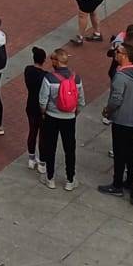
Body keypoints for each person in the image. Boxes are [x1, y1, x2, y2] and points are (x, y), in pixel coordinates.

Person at [100, 41, 133, 196]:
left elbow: (116, 99)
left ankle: (117, 184)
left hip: (122, 119)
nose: (115, 54)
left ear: (126, 55)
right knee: (131, 150)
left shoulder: (120, 76)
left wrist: (107, 111)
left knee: (119, 152)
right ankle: (130, 180)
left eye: (118, 52)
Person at [38, 46, 81, 190]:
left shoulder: (49, 78)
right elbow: (80, 99)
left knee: (51, 147)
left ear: (56, 62)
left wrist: (43, 112)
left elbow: (43, 100)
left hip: (52, 116)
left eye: (52, 59)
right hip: (69, 117)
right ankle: (70, 179)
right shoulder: (76, 78)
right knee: (70, 148)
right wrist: (76, 111)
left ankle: (50, 178)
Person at [22, 46, 50, 169]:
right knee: (43, 135)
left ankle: (31, 158)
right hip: (41, 108)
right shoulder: (45, 76)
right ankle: (42, 163)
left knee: (32, 132)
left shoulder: (28, 70)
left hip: (30, 105)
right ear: (44, 60)